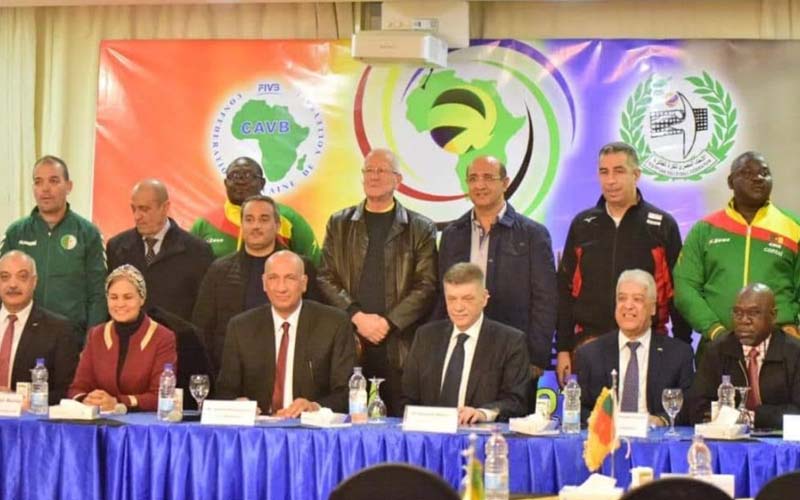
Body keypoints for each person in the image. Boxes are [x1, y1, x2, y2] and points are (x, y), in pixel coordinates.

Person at [555, 142, 689, 386]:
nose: (611, 180)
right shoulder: (582, 224)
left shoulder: (662, 226)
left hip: (647, 344)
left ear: (636, 174)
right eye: (604, 172)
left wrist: (682, 347)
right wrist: (563, 347)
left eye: (619, 171)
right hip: (589, 346)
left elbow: (677, 292)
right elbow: (565, 291)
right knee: (593, 410)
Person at [317, 148, 438, 416]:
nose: (374, 176)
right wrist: (356, 316)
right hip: (349, 340)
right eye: (369, 170)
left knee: (400, 422)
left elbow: (427, 285)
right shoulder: (339, 223)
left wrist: (387, 323)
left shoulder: (420, 227)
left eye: (381, 170)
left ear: (398, 180)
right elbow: (325, 276)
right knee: (349, 422)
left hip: (399, 345)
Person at [437, 155, 557, 383]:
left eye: (488, 178)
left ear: (505, 183)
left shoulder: (532, 234)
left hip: (515, 354)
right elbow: (441, 296)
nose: (480, 185)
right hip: (462, 350)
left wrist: (536, 357)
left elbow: (546, 299)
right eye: (473, 178)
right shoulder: (453, 234)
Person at [674, 151, 800, 361]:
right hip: (718, 347)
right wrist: (714, 330)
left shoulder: (793, 227)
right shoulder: (705, 229)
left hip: (780, 350)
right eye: (747, 173)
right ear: (731, 182)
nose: (758, 178)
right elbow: (685, 286)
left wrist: (794, 324)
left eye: (764, 173)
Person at [216, 251, 355, 416]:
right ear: (264, 283)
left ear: (303, 283)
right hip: (258, 427)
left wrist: (315, 407)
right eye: (273, 278)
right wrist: (237, 404)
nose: (281, 287)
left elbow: (347, 392)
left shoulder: (334, 323)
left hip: (309, 427)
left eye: (290, 278)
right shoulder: (241, 327)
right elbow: (225, 391)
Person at [192, 195, 320, 374]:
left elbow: (317, 322)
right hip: (232, 373)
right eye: (249, 219)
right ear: (242, 225)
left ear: (277, 225)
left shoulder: (302, 267)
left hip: (289, 371)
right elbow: (202, 327)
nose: (256, 226)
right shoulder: (219, 270)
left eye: (264, 219)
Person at [401, 263, 529, 423]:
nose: (458, 307)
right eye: (452, 299)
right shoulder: (425, 336)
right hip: (428, 434)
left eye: (467, 299)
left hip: (479, 435)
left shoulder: (510, 341)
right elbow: (407, 397)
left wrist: (483, 413)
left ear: (484, 298)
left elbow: (516, 402)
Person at [1, 155, 107, 344]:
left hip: (72, 339)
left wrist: (91, 345)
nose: (45, 189)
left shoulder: (88, 234)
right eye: (38, 182)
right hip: (23, 338)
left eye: (53, 180)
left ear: (69, 186)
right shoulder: (16, 233)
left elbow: (98, 295)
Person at [574, 270, 694, 425]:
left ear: (653, 308)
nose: (628, 306)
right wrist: (599, 421)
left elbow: (689, 406)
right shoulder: (590, 354)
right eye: (622, 298)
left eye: (637, 299)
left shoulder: (678, 354)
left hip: (654, 437)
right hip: (608, 436)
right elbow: (578, 407)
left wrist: (660, 421)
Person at [688, 283, 800, 429]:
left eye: (754, 313)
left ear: (773, 316)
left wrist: (749, 418)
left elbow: (797, 412)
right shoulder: (716, 351)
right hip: (727, 439)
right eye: (738, 313)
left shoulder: (794, 352)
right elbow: (697, 408)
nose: (744, 321)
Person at [67, 265, 177, 412]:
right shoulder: (96, 334)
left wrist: (118, 402)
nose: (120, 304)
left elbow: (161, 396)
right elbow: (77, 388)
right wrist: (87, 399)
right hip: (101, 419)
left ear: (142, 298)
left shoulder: (163, 337)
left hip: (143, 423)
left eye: (128, 297)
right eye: (114, 297)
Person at [106, 179, 214, 321]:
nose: (137, 216)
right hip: (129, 334)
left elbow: (204, 310)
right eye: (134, 209)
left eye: (144, 209)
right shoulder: (116, 247)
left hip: (177, 334)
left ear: (165, 207)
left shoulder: (197, 251)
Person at [191, 156, 320, 263]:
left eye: (248, 175)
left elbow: (315, 266)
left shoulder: (288, 218)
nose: (240, 181)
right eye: (234, 175)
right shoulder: (205, 223)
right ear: (225, 183)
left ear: (262, 183)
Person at [0, 251, 78, 404]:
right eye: (4, 277)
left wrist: (21, 400)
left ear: (34, 282)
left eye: (22, 277)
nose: (13, 284)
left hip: (29, 417)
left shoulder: (59, 329)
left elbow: (67, 390)